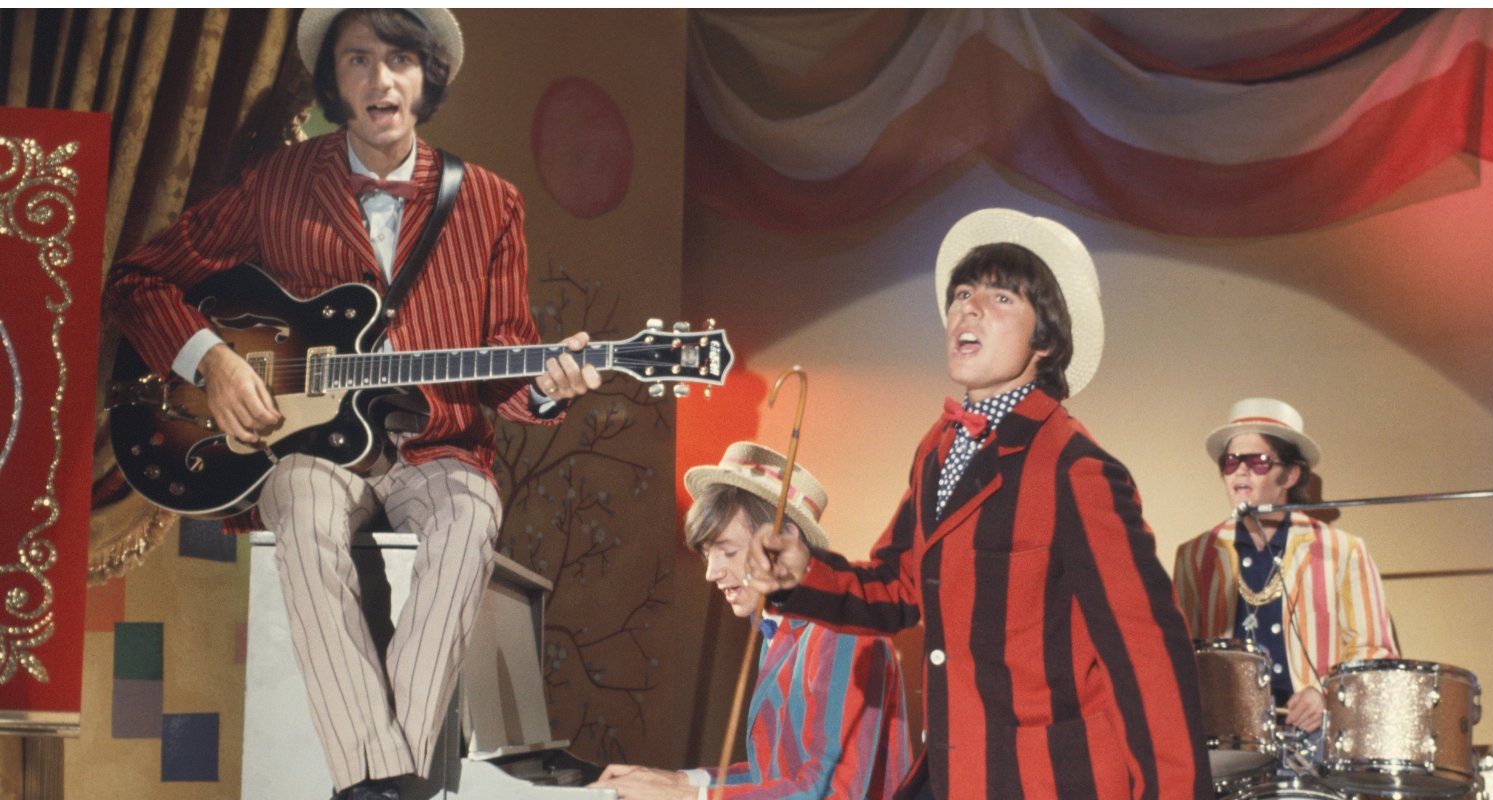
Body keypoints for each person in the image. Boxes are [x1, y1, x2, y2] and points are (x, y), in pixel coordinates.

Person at [104, 9, 600, 799]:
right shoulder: (278, 183)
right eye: (359, 60)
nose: (380, 79)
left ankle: (373, 781)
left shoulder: (491, 202)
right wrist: (216, 361)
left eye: (400, 59)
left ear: (426, 76)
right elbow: (137, 280)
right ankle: (394, 783)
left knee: (472, 517)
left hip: (437, 448)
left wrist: (546, 385)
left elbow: (508, 359)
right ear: (334, 83)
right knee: (298, 506)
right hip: (304, 445)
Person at [746, 209, 1210, 799]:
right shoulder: (937, 450)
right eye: (962, 293)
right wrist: (799, 571)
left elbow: (1148, 657)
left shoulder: (1077, 468)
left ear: (1045, 338)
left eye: (1000, 297)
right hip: (953, 777)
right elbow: (898, 586)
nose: (968, 307)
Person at [593, 442, 911, 800]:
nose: (712, 573)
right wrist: (679, 782)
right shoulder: (779, 630)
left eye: (728, 551)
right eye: (707, 554)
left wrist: (687, 797)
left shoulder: (844, 631)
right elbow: (773, 777)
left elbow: (832, 792)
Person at [1173, 398, 1399, 733]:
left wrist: (1325, 695)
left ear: (1290, 474)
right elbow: (1178, 650)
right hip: (1224, 738)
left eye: (1258, 462)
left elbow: (1376, 652)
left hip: (1315, 739)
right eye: (1231, 461)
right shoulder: (1195, 555)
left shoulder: (1343, 551)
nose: (1241, 470)